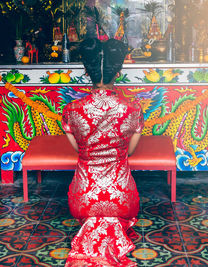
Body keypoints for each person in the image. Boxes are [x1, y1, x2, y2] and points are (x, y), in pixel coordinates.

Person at [62, 38, 144, 266]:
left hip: (83, 200)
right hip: (123, 201)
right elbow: (130, 152)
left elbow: (80, 150)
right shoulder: (133, 108)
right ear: (117, 71)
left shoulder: (71, 111)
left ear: (87, 72)